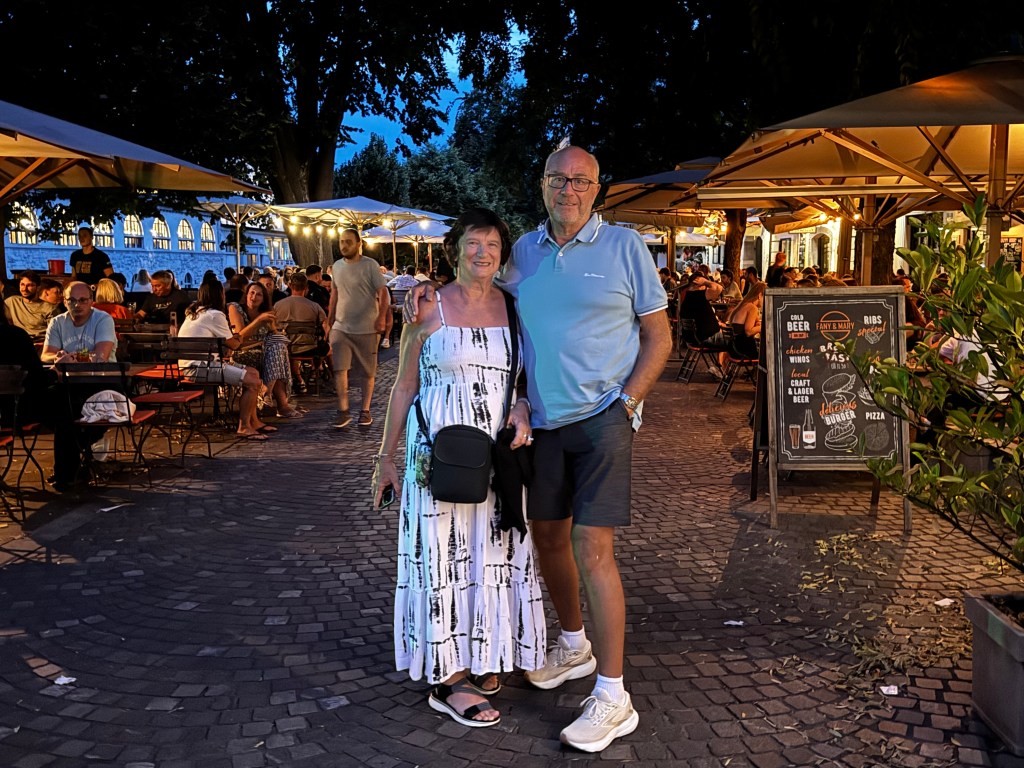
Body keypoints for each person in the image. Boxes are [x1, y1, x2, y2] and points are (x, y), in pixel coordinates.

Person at [408, 145, 671, 752]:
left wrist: (629, 402)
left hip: (603, 418)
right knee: (547, 538)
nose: (568, 190)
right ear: (543, 184)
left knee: (592, 548)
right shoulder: (523, 250)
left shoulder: (625, 246)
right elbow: (476, 284)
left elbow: (658, 336)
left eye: (580, 180)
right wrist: (427, 288)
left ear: (597, 188)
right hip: (545, 425)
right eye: (558, 179)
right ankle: (574, 645)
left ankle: (613, 696)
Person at [373, 208, 546, 729]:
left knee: (491, 555)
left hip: (496, 459)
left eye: (492, 244)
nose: (483, 252)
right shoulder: (428, 306)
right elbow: (405, 385)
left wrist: (522, 406)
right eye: (473, 242)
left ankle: (485, 651)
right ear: (455, 250)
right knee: (442, 559)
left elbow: (524, 380)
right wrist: (385, 458)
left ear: (503, 253)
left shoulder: (516, 307)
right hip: (438, 458)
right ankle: (447, 677)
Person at [41, 281, 118, 491]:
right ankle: (71, 468)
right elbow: (45, 354)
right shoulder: (57, 322)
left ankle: (67, 471)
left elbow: (101, 356)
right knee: (53, 407)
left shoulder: (102, 319)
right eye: (72, 300)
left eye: (82, 300)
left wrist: (72, 357)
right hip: (67, 383)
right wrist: (58, 357)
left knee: (68, 412)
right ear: (64, 301)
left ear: (91, 301)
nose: (77, 305)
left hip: (101, 382)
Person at [178, 280, 271, 440]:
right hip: (201, 368)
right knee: (253, 383)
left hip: (192, 365)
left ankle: (254, 421)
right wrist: (245, 332)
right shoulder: (215, 315)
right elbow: (234, 344)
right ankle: (244, 427)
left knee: (253, 373)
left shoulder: (194, 313)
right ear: (220, 295)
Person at [327, 228, 389, 428]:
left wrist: (381, 318)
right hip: (341, 326)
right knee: (339, 368)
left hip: (367, 327)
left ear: (358, 243)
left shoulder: (370, 265)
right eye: (341, 242)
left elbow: (383, 292)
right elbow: (335, 293)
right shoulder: (337, 267)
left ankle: (365, 410)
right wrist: (330, 320)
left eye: (348, 242)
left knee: (367, 372)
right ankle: (343, 410)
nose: (344, 246)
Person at [227, 282, 301, 418]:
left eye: (259, 295)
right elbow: (239, 336)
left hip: (264, 351)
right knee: (278, 352)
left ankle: (267, 393)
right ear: (246, 294)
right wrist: (259, 321)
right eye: (251, 293)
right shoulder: (235, 308)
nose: (254, 297)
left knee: (278, 347)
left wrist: (272, 325)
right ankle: (280, 404)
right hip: (242, 352)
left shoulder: (265, 312)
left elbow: (274, 334)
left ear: (263, 299)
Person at [274, 272, 331, 393]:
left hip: (286, 348)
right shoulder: (314, 306)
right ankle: (317, 371)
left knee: (290, 349)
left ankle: (299, 379)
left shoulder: (278, 306)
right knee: (329, 348)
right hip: (311, 348)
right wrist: (325, 338)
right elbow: (326, 325)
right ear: (306, 287)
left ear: (290, 286)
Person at [717, 282, 763, 370]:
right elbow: (748, 331)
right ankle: (758, 376)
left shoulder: (741, 305)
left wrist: (757, 324)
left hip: (733, 349)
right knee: (769, 354)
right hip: (744, 351)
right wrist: (763, 327)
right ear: (759, 295)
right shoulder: (752, 308)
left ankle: (754, 374)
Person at [4, 269, 58, 341]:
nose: (24, 289)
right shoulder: (12, 301)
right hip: (18, 341)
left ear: (38, 287)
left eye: (29, 285)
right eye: (22, 284)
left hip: (40, 342)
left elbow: (55, 334)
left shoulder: (49, 308)